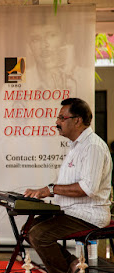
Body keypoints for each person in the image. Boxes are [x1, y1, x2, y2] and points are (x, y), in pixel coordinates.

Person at [24, 98, 112, 273]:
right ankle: (73, 264)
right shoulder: (76, 146)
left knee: (38, 235)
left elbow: (88, 188)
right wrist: (43, 192)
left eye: (62, 118)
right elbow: (69, 186)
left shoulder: (92, 147)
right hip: (72, 211)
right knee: (27, 230)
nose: (57, 122)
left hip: (89, 215)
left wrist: (50, 189)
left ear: (77, 120)